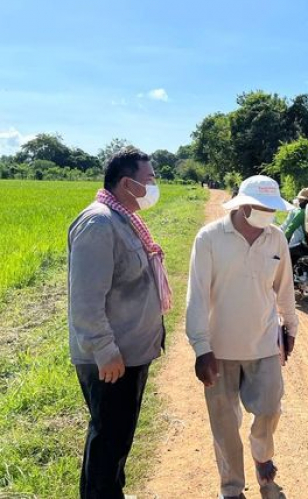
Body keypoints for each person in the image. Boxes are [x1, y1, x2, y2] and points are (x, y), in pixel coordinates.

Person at [186, 175, 299, 499]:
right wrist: (201, 348)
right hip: (219, 348)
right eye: (263, 207)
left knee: (269, 409)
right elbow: (197, 296)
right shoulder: (209, 238)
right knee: (224, 425)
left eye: (272, 209)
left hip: (263, 343)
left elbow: (285, 288)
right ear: (243, 205)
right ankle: (231, 487)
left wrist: (290, 327)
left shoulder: (276, 238)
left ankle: (262, 455)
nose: (269, 214)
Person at [68, 146, 171, 499]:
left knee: (116, 439)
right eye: (150, 179)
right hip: (113, 359)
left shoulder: (122, 219)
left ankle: (112, 492)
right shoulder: (98, 224)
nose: (154, 186)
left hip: (129, 353)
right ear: (128, 184)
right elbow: (85, 300)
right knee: (108, 441)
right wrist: (104, 349)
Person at [280, 187, 308, 266]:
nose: (299, 202)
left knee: (287, 263)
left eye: (301, 200)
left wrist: (285, 241)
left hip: (304, 245)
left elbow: (290, 229)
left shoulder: (301, 212)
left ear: (304, 201)